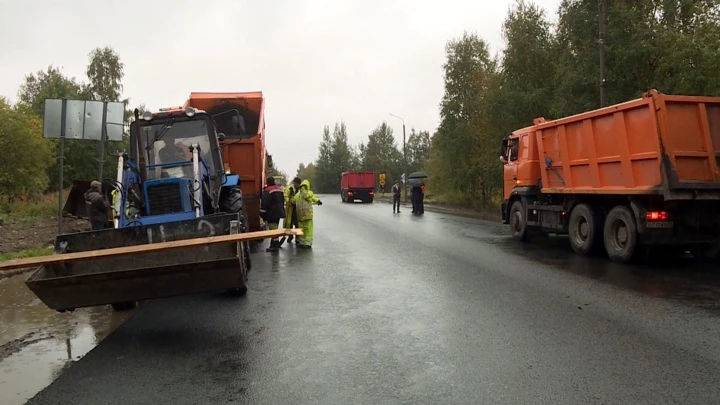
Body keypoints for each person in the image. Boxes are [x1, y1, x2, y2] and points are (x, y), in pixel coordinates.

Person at [293, 179, 322, 248]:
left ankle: (304, 242)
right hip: (307, 214)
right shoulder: (308, 193)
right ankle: (306, 243)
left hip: (301, 215)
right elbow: (312, 198)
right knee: (307, 229)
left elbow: (293, 201)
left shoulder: (298, 194)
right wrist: (318, 201)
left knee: (303, 229)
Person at [260, 176, 287, 252]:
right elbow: (282, 201)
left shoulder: (268, 190)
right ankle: (274, 244)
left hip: (271, 213)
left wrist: (262, 213)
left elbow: (265, 203)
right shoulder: (279, 189)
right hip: (279, 212)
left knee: (273, 229)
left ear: (268, 182)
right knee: (275, 227)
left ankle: (274, 246)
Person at [283, 177, 302, 244]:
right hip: (290, 208)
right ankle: (290, 236)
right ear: (294, 183)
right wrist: (288, 202)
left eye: (298, 184)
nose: (297, 185)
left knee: (297, 224)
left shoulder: (300, 189)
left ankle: (298, 238)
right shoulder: (289, 188)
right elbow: (285, 196)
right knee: (289, 223)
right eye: (296, 183)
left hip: (297, 208)